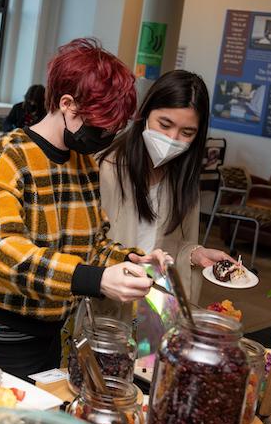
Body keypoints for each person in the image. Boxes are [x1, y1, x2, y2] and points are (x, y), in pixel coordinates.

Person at [0, 38, 164, 380]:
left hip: (50, 332)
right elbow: (5, 251)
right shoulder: (6, 156)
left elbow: (92, 244)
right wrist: (96, 280)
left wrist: (130, 261)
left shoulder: (83, 164)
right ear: (67, 104)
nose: (106, 136)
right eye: (101, 127)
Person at [98, 70, 238, 306]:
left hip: (153, 308)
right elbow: (85, 246)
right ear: (144, 115)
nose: (173, 138)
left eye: (187, 132)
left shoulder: (183, 179)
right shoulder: (107, 168)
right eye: (165, 124)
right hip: (108, 304)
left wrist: (195, 254)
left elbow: (173, 246)